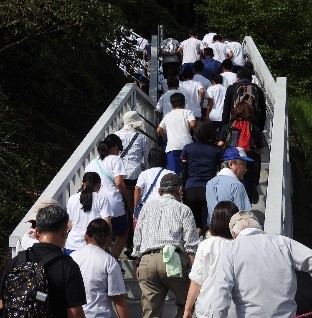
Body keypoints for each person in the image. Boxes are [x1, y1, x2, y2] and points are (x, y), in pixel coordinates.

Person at [210, 211, 312, 318]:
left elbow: (222, 292)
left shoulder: (230, 249)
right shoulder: (282, 242)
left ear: (233, 234)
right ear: (259, 227)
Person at [132, 173, 200, 318]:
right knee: (188, 302)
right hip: (172, 259)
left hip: (147, 260)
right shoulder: (184, 209)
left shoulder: (146, 208)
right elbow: (191, 245)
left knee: (150, 312)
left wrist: (138, 263)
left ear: (159, 190)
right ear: (180, 190)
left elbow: (137, 236)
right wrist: (196, 272)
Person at [0, 205, 87, 318]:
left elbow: (2, 303)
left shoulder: (17, 261)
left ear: (37, 233)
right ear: (64, 232)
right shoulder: (68, 266)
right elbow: (75, 314)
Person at [183, 201, 239, 318]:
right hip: (233, 309)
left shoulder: (206, 245)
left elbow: (197, 280)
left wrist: (187, 309)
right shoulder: (239, 246)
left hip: (207, 307)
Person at [71, 219, 129, 318]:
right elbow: (118, 299)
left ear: (85, 237)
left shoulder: (72, 257)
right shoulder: (109, 261)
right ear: (109, 239)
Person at [84, 134, 129, 259]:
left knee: (100, 235)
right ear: (114, 148)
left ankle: (104, 257)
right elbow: (119, 183)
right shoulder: (115, 160)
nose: (119, 153)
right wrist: (126, 198)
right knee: (123, 232)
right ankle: (113, 258)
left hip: (95, 205)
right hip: (114, 204)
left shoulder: (91, 164)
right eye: (119, 150)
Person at [115, 111, 149, 254]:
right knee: (132, 211)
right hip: (134, 177)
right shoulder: (141, 138)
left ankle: (117, 239)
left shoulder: (115, 136)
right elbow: (146, 159)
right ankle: (131, 243)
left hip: (118, 178)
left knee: (118, 210)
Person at [181, 120, 222, 235]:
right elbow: (221, 171)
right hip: (209, 190)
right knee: (207, 224)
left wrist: (183, 189)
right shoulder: (217, 150)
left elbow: (184, 172)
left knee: (193, 224)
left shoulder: (187, 148)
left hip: (190, 189)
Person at [218, 101, 264, 203]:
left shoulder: (228, 127)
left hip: (231, 161)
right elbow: (261, 149)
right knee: (246, 184)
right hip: (248, 161)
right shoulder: (254, 128)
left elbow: (220, 143)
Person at [64, 172, 113, 255]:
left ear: (82, 184)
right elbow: (107, 222)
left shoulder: (72, 199)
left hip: (72, 245)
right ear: (98, 185)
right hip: (93, 246)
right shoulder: (102, 199)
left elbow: (69, 224)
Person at [206, 147, 252, 225]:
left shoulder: (210, 183)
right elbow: (244, 216)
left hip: (213, 231)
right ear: (231, 164)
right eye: (243, 164)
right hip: (231, 233)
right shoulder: (236, 185)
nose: (246, 169)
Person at [157, 92, 196, 175]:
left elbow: (159, 129)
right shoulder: (187, 112)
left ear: (171, 104)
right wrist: (187, 127)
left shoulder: (167, 115)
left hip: (172, 146)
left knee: (173, 173)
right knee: (188, 170)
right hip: (187, 144)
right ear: (184, 102)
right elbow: (193, 124)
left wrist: (166, 137)